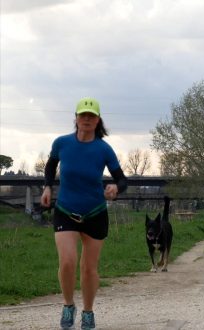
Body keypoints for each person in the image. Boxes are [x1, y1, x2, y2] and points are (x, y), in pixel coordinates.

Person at [40, 97, 127, 330]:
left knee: (89, 268)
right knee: (67, 262)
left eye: (91, 116)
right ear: (76, 118)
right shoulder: (62, 143)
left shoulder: (103, 149)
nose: (86, 119)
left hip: (95, 212)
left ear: (98, 120)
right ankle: (68, 305)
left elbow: (121, 179)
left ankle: (88, 311)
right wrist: (47, 186)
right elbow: (50, 166)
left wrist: (115, 187)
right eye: (83, 115)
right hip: (66, 210)